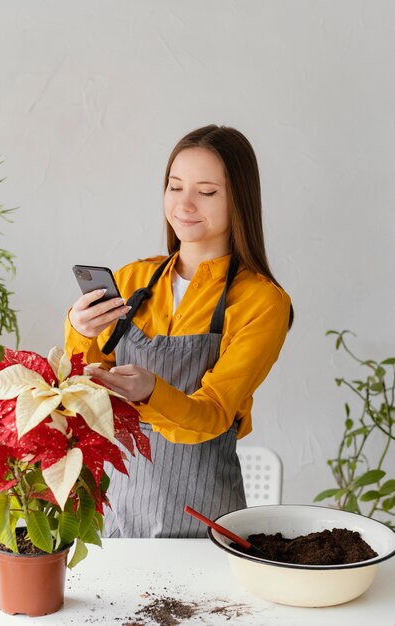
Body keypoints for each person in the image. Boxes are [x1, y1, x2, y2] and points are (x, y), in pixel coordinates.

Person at [64, 124, 292, 538]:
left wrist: (152, 391)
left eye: (206, 192)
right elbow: (82, 389)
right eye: (174, 187)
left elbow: (213, 415)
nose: (184, 204)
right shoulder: (132, 279)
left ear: (239, 199)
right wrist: (79, 329)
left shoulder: (262, 302)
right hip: (116, 515)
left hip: (203, 523)